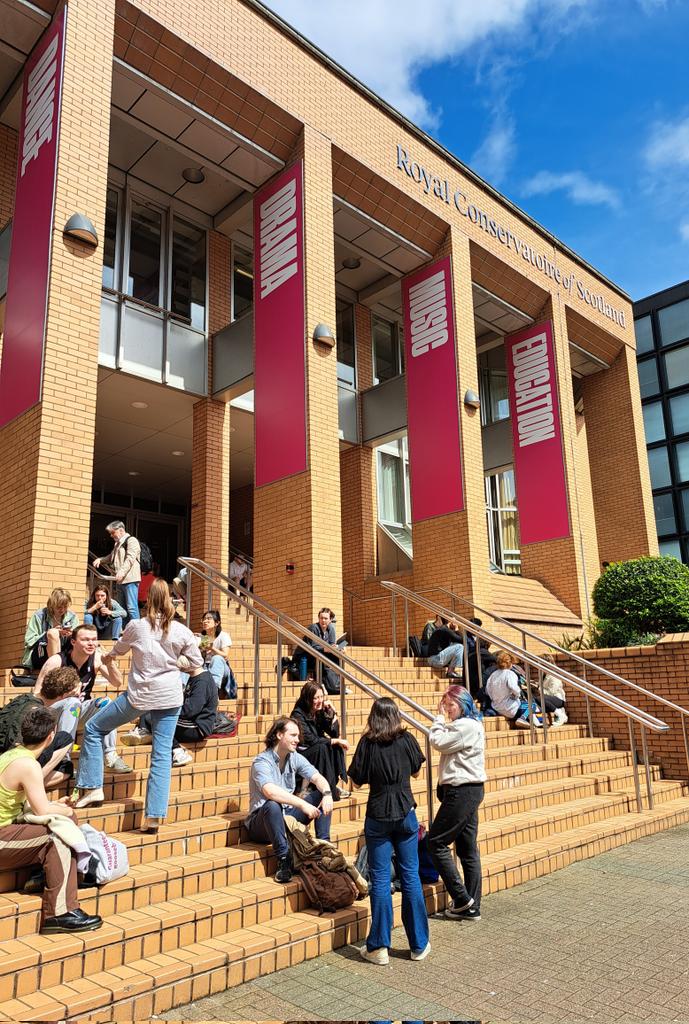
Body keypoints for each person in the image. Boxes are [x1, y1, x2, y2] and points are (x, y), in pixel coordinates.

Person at [72, 579, 203, 830]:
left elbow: (118, 650)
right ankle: (153, 816)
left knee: (93, 728)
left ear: (148, 601)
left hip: (139, 696)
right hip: (169, 697)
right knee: (162, 755)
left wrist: (108, 657)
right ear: (171, 600)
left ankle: (91, 788)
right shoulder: (181, 630)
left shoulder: (136, 626)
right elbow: (195, 662)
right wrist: (175, 661)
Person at [0, 705, 102, 933]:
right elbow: (42, 810)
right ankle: (60, 912)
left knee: (62, 821)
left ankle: (48, 876)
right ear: (51, 736)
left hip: (6, 830)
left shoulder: (11, 755)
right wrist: (64, 811)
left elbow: (34, 806)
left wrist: (59, 807)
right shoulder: (28, 765)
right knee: (58, 836)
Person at [348, 697, 430, 965]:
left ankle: (379, 947)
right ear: (396, 716)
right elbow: (418, 772)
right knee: (411, 876)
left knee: (381, 880)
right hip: (406, 812)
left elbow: (356, 782)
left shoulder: (367, 744)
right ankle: (418, 944)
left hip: (378, 814)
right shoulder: (406, 740)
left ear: (373, 717)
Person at [244, 716, 333, 883]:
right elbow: (270, 792)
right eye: (293, 735)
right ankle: (284, 860)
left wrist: (327, 794)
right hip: (261, 822)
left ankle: (324, 848)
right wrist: (302, 804)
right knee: (273, 805)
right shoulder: (261, 761)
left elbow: (318, 778)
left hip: (286, 816)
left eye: (298, 736)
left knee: (321, 794)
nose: (297, 740)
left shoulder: (295, 757)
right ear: (279, 735)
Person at [34, 624, 131, 775]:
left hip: (78, 712)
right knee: (73, 702)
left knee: (106, 702)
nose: (91, 643)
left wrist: (110, 663)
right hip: (53, 713)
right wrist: (63, 695)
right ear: (73, 642)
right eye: (85, 640)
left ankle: (110, 755)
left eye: (94, 639)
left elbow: (117, 683)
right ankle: (62, 757)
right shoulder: (57, 661)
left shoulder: (96, 660)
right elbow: (36, 696)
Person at [427, 684, 486, 922]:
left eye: (451, 705)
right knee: (466, 849)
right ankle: (472, 906)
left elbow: (438, 741)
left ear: (463, 704)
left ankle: (462, 899)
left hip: (462, 792)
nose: (447, 709)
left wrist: (438, 719)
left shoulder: (465, 726)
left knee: (436, 843)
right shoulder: (469, 725)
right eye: (445, 705)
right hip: (468, 790)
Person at [122, 656, 218, 767]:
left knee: (157, 717)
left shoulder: (202, 681)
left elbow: (191, 710)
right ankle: (145, 729)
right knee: (154, 711)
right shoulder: (195, 678)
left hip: (196, 727)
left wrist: (168, 709)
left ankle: (177, 750)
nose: (180, 670)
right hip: (190, 722)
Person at [0, 666, 81, 789]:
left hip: (4, 757)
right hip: (15, 763)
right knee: (65, 748)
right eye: (73, 695)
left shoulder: (22, 699)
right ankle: (28, 785)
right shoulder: (39, 714)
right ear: (64, 696)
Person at [290, 682, 350, 801]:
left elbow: (333, 733)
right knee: (323, 747)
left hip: (316, 749)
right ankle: (329, 789)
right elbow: (311, 740)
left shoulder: (318, 711)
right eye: (316, 698)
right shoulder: (298, 715)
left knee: (334, 746)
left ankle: (332, 785)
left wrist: (333, 713)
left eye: (321, 697)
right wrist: (335, 740)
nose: (320, 701)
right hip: (301, 753)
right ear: (308, 698)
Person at [92, 520, 141, 623]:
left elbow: (130, 558)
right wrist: (101, 560)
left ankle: (137, 630)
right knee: (122, 608)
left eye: (113, 532)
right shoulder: (117, 544)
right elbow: (111, 557)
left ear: (121, 530)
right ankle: (125, 631)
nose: (111, 535)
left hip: (130, 579)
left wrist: (122, 572)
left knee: (131, 608)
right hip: (120, 580)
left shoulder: (132, 541)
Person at [22, 589, 79, 670]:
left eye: (65, 607)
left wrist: (71, 635)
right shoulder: (39, 616)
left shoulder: (72, 617)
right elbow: (29, 641)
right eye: (59, 607)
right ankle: (56, 672)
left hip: (64, 653)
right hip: (40, 653)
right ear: (52, 605)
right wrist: (47, 635)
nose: (62, 610)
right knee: (53, 633)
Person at [298, 608, 344, 695]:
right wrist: (325, 649)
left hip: (322, 655)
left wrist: (339, 648)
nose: (323, 620)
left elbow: (332, 645)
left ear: (330, 620)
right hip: (308, 657)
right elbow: (311, 647)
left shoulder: (331, 629)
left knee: (339, 657)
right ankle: (323, 685)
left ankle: (337, 684)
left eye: (326, 618)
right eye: (321, 618)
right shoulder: (313, 628)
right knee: (323, 658)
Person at [485, 650, 533, 729]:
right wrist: (517, 695)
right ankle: (522, 718)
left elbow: (488, 690)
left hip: (496, 707)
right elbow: (514, 687)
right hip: (510, 708)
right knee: (531, 705)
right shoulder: (510, 673)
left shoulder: (493, 675)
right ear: (509, 663)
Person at [197, 609, 235, 695]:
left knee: (217, 658)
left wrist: (212, 648)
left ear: (216, 623)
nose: (205, 621)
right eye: (204, 619)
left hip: (221, 667)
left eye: (209, 619)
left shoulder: (223, 636)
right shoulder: (203, 637)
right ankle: (182, 689)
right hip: (205, 666)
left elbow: (225, 655)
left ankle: (213, 692)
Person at [535, 653, 568, 725]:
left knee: (539, 699)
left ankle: (561, 715)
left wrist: (539, 689)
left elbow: (551, 692)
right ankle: (540, 721)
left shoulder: (554, 675)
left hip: (558, 700)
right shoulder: (544, 674)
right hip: (548, 700)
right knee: (534, 700)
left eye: (541, 663)